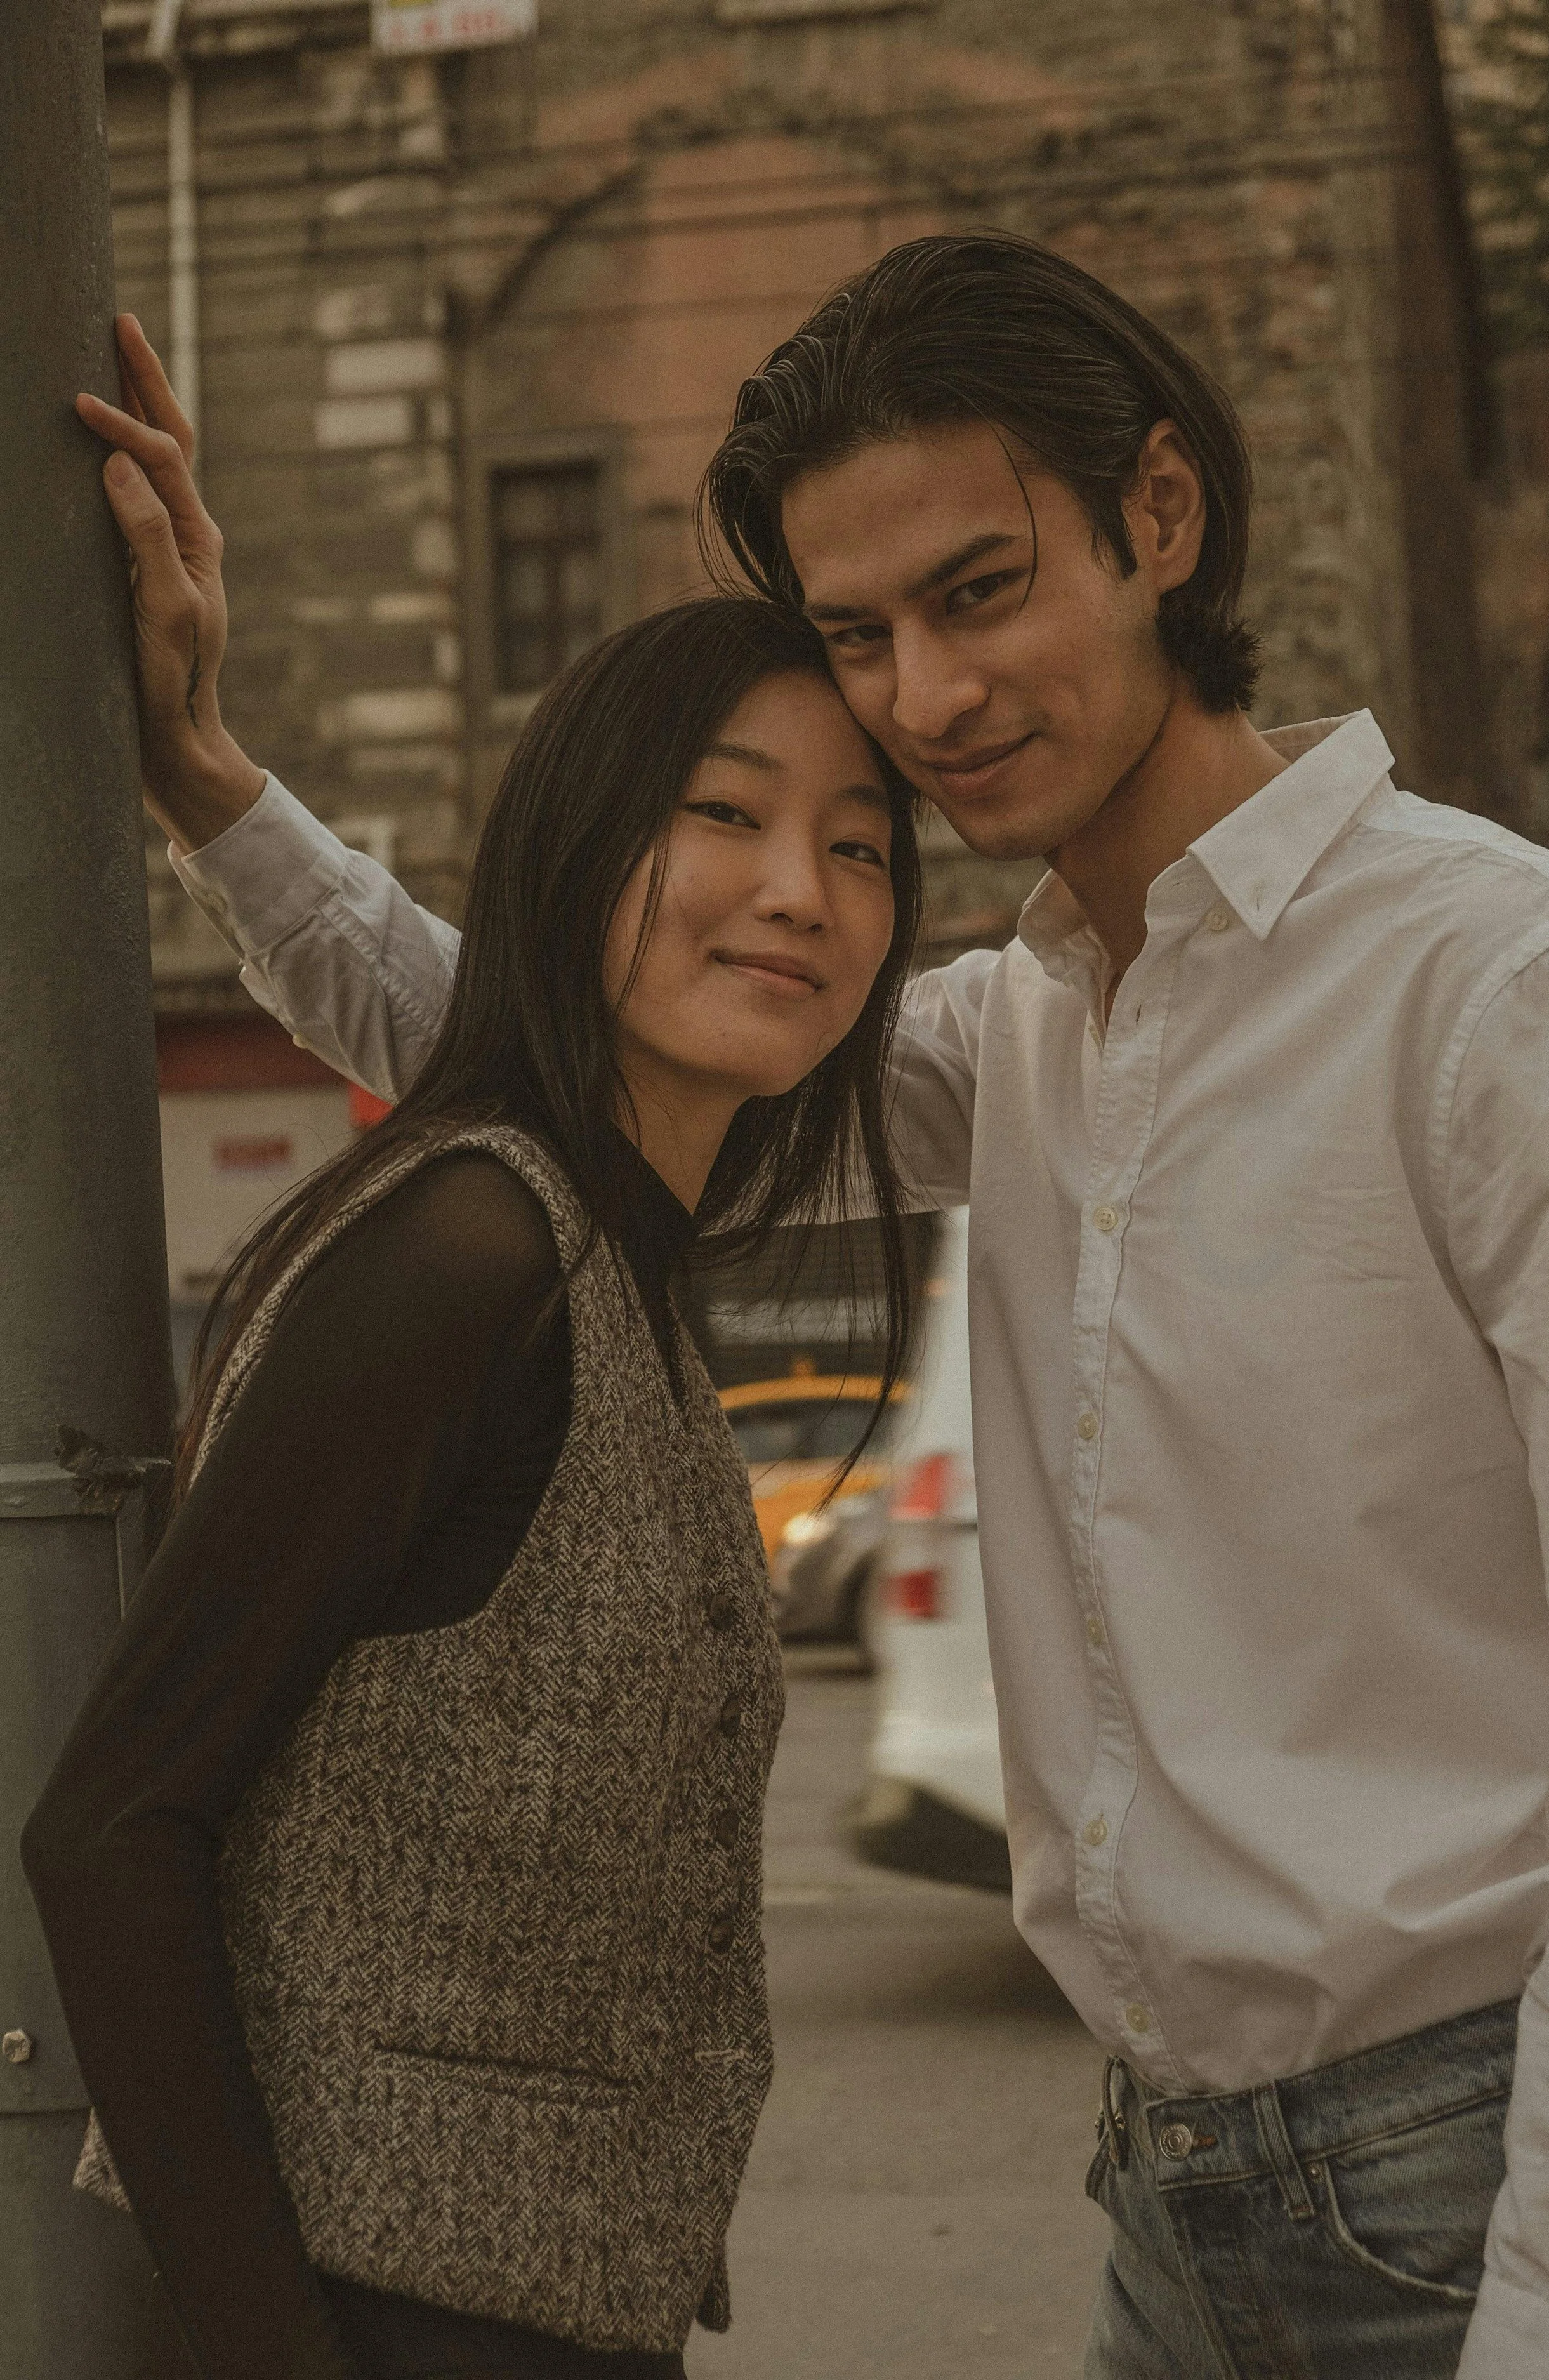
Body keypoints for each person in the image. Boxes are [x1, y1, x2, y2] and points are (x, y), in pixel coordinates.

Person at [71, 233, 1549, 2380]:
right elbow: (571, 1012)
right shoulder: (1030, 1031)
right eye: (858, 635)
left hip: (1462, 2179)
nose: (924, 701)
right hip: (1170, 2192)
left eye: (978, 592)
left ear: (1158, 518)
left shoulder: (1504, 994)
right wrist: (210, 785)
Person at [23, 582, 926, 2380]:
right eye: (725, 812)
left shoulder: (612, 1252)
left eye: (860, 843)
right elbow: (114, 1825)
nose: (797, 893)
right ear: (579, 838)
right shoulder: (461, 1249)